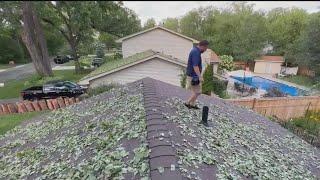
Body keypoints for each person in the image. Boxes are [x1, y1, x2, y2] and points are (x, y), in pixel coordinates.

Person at [184, 40, 209, 109]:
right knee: (198, 92)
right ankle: (187, 103)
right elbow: (195, 66)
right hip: (194, 76)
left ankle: (193, 104)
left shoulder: (194, 50)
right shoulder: (196, 52)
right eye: (205, 48)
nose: (205, 50)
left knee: (195, 91)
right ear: (203, 46)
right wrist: (200, 76)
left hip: (192, 75)